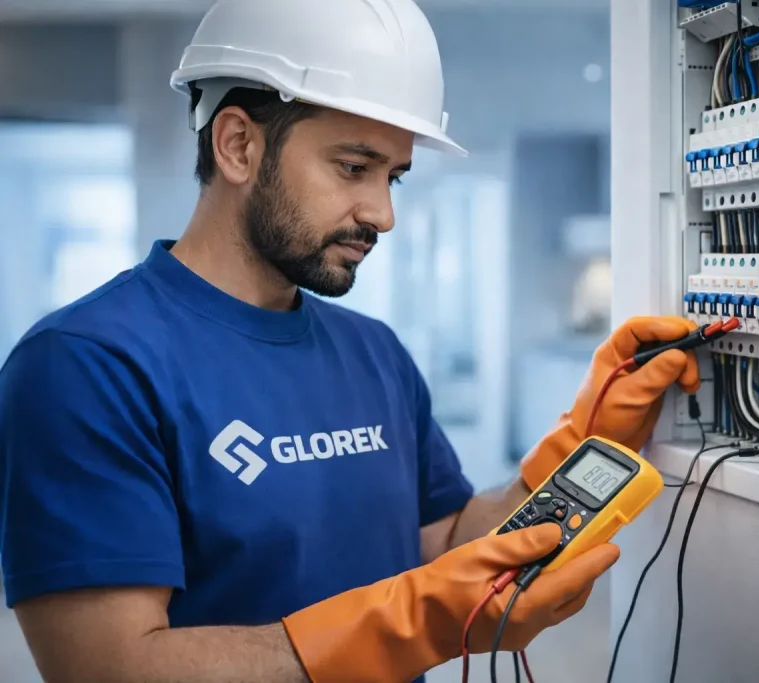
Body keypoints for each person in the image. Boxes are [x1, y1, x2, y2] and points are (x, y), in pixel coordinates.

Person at [0, 1, 701, 681]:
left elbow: (448, 539)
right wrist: (409, 624)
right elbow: (113, 667)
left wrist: (580, 443)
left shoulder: (373, 352)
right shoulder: (85, 364)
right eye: (352, 167)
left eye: (392, 176)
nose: (384, 213)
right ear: (238, 144)